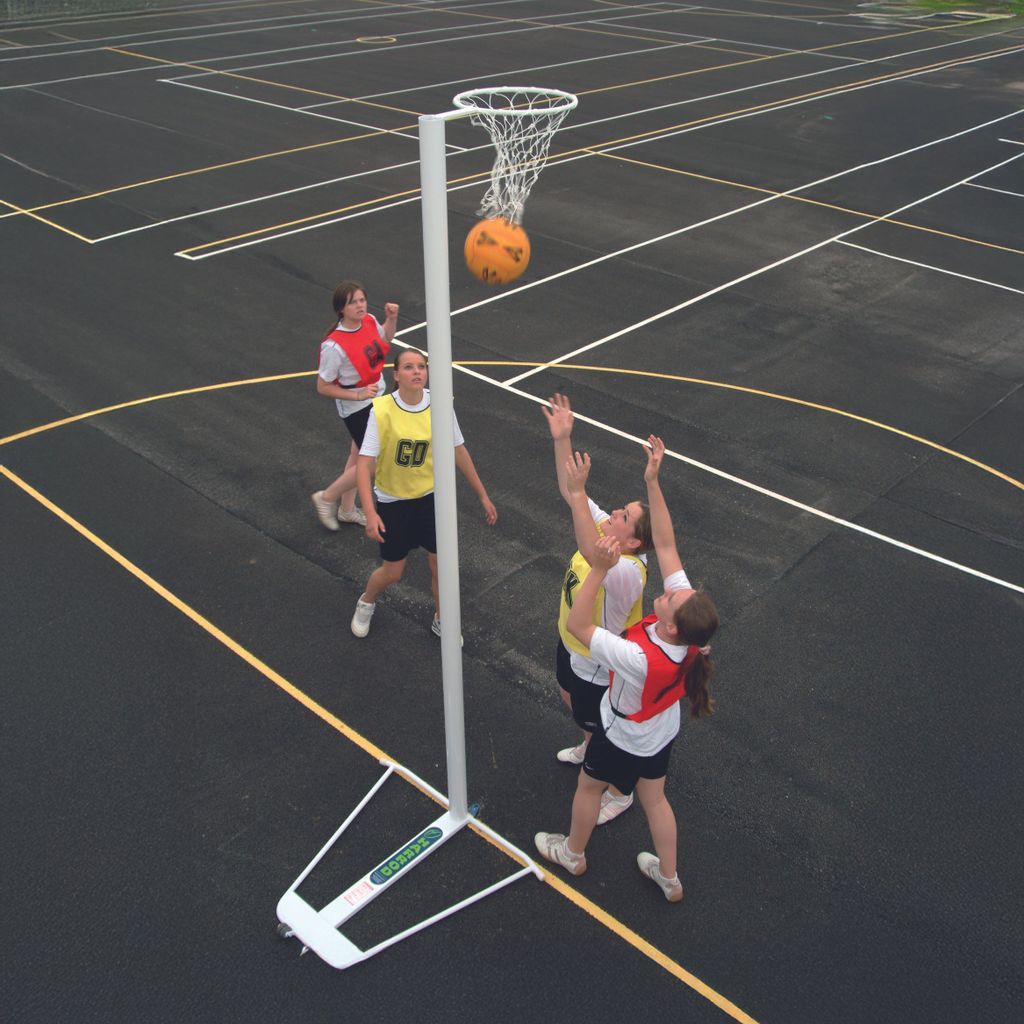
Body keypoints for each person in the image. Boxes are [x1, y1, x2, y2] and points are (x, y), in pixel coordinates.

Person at [535, 438, 719, 903]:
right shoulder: (688, 643)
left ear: (672, 625)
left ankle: (573, 853)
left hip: (622, 735)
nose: (670, 588)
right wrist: (653, 481)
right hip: (660, 733)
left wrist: (598, 569)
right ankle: (670, 877)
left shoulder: (638, 656)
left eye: (671, 596)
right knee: (656, 800)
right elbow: (667, 542)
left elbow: (580, 626)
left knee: (587, 788)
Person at [543, 392, 653, 825]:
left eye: (624, 516)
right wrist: (562, 440)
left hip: (596, 663)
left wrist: (578, 492)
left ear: (634, 542)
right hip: (570, 643)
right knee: (570, 698)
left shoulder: (626, 571)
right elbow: (568, 491)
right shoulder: (608, 533)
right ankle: (588, 742)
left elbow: (590, 552)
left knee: (606, 728)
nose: (615, 512)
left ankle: (621, 792)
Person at [350, 348, 497, 638]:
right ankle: (366, 601)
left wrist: (482, 494)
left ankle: (442, 619)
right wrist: (369, 512)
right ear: (396, 375)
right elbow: (364, 464)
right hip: (394, 501)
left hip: (431, 498)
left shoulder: (440, 404)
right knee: (393, 572)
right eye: (408, 367)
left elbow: (458, 450)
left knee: (440, 566)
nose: (417, 371)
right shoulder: (382, 410)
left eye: (421, 366)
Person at [311, 280, 398, 531]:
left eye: (362, 300)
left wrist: (391, 319)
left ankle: (347, 510)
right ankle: (327, 497)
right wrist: (358, 396)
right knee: (371, 462)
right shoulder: (334, 347)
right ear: (341, 309)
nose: (360, 306)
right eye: (353, 303)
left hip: (376, 397)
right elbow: (323, 386)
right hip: (357, 408)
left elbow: (385, 339)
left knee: (359, 455)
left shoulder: (369, 320)